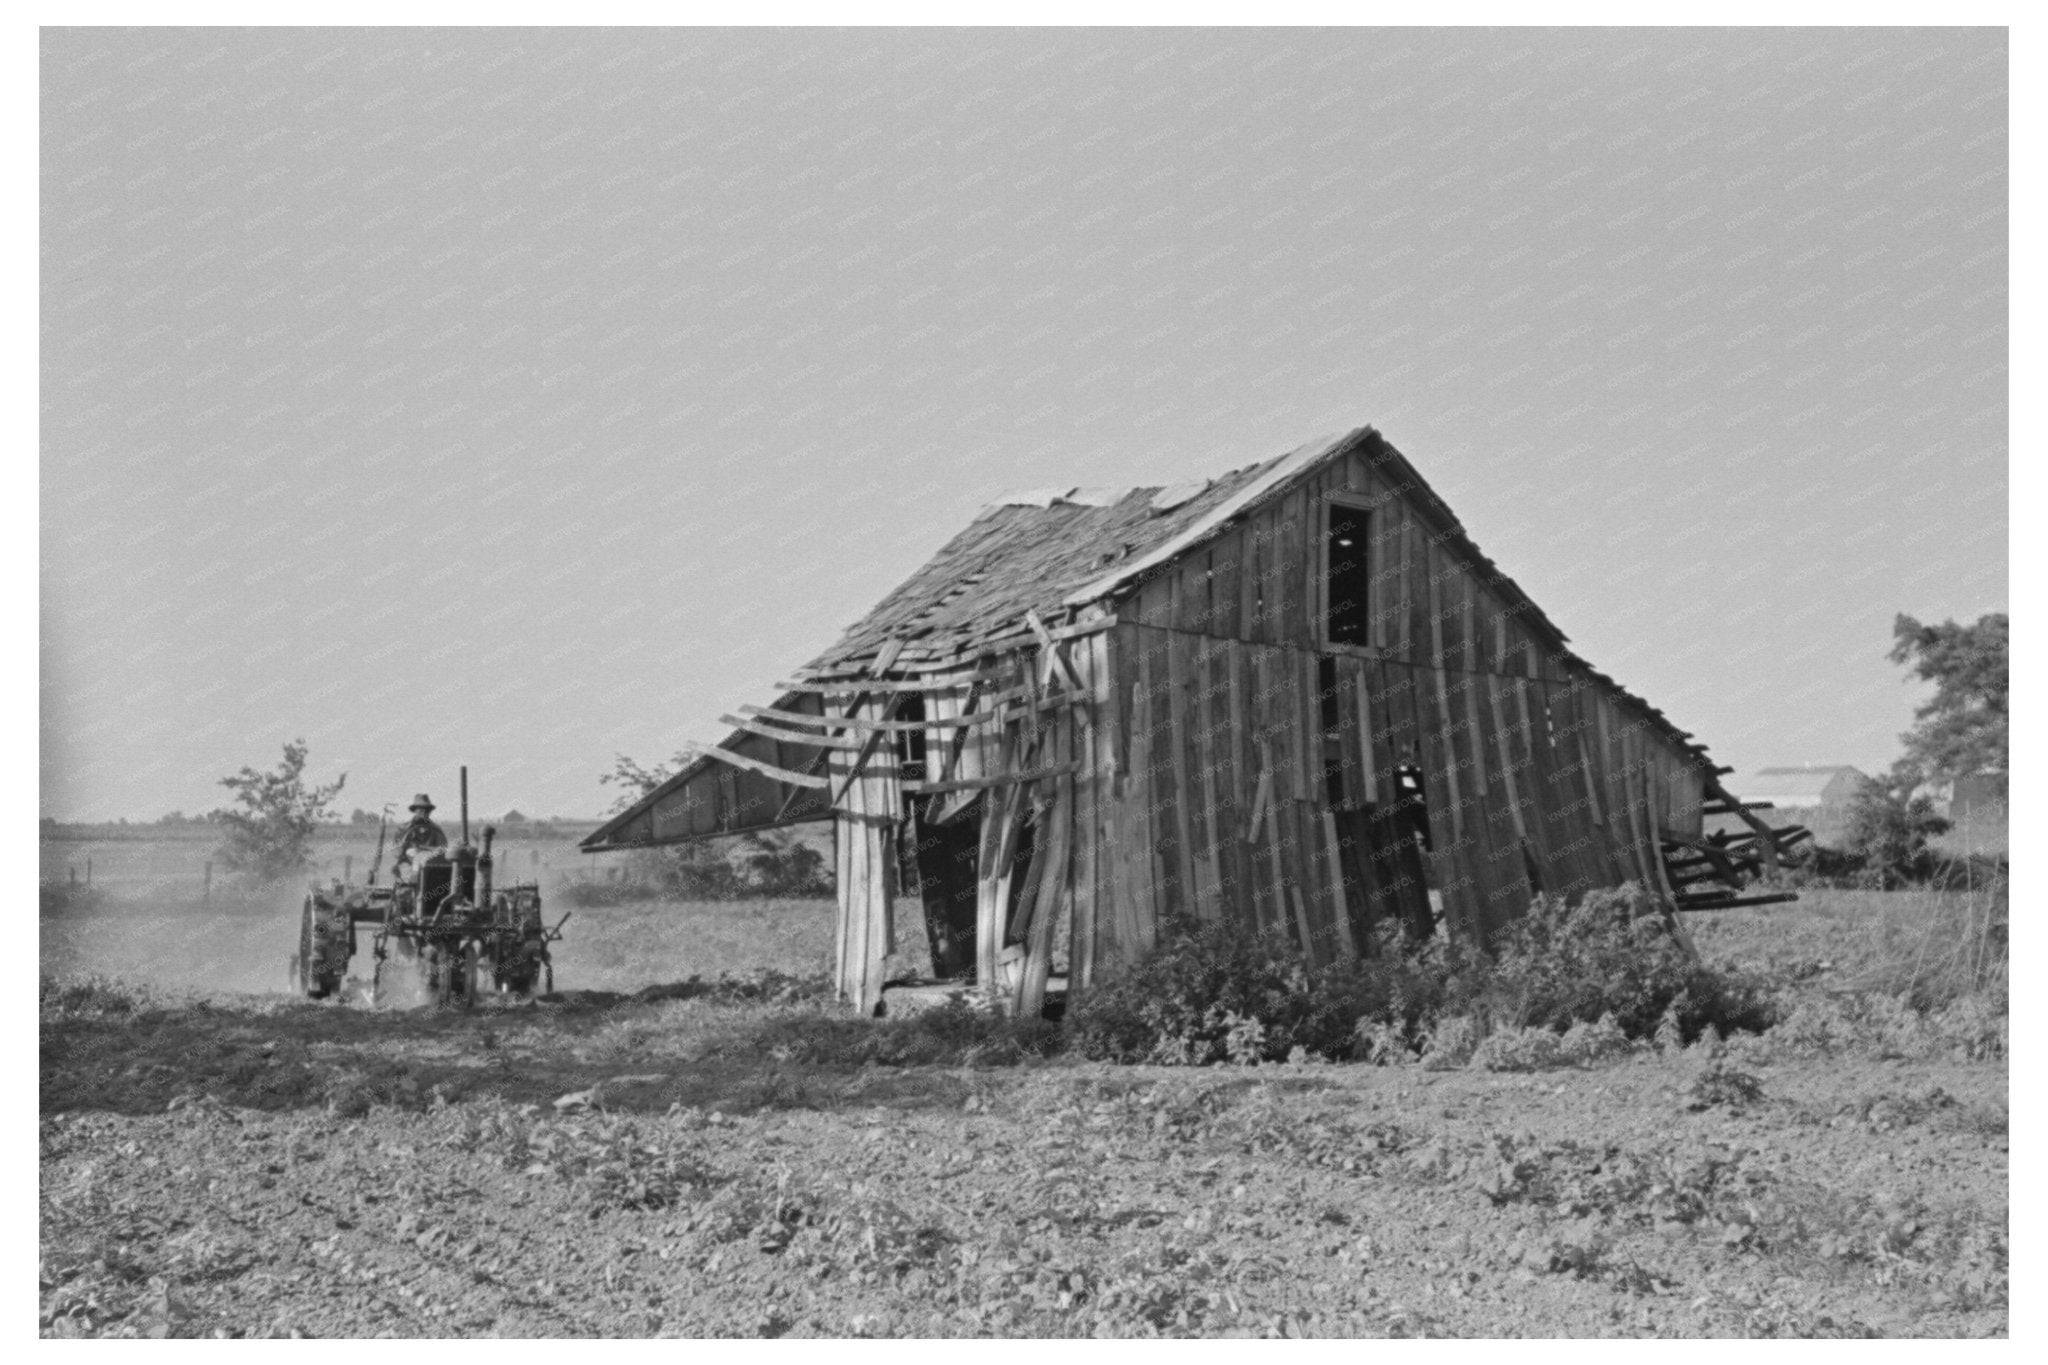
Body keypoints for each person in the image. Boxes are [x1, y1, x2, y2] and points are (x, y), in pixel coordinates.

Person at [390, 794, 448, 882]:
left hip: (431, 865)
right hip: (407, 864)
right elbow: (397, 852)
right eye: (421, 810)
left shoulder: (436, 830)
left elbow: (442, 849)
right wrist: (405, 847)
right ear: (415, 811)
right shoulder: (404, 829)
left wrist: (423, 848)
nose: (424, 813)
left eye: (427, 810)